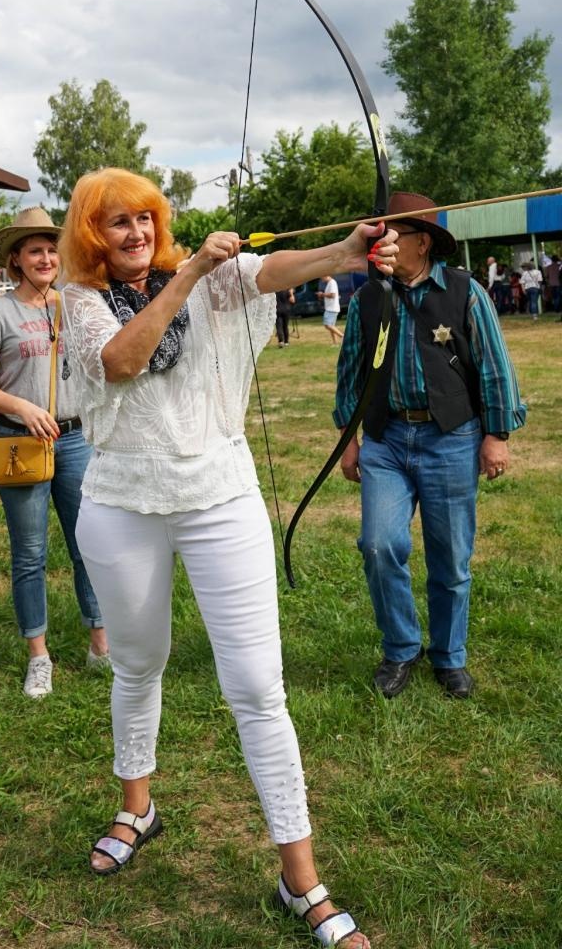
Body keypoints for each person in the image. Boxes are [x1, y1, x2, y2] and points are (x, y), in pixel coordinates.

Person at [58, 168, 399, 948]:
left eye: (145, 219)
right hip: (120, 502)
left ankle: (299, 878)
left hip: (220, 497)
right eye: (117, 224)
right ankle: (136, 806)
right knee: (138, 664)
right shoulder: (81, 302)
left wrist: (346, 251)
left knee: (256, 687)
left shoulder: (216, 278)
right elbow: (120, 360)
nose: (137, 233)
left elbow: (277, 269)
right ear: (92, 236)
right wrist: (189, 275)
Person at [336, 192, 526, 702]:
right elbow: (351, 371)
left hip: (451, 438)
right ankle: (401, 647)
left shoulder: (466, 291)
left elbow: (493, 366)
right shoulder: (366, 298)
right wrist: (348, 440)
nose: (382, 245)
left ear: (420, 243)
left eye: (391, 236)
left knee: (450, 556)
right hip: (385, 440)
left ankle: (448, 656)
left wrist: (496, 435)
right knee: (379, 545)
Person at [0, 207, 110, 698]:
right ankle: (39, 657)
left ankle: (100, 644)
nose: (46, 258)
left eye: (52, 249)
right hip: (19, 442)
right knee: (30, 554)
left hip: (75, 440)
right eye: (35, 251)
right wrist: (23, 408)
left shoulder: (74, 304)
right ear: (16, 260)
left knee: (88, 544)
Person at [316, 274, 343, 345]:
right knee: (331, 326)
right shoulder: (330, 283)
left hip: (331, 308)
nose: (322, 279)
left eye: (322, 277)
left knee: (327, 325)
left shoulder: (332, 283)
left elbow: (333, 295)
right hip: (331, 308)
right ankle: (335, 343)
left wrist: (322, 294)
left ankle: (342, 337)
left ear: (326, 275)